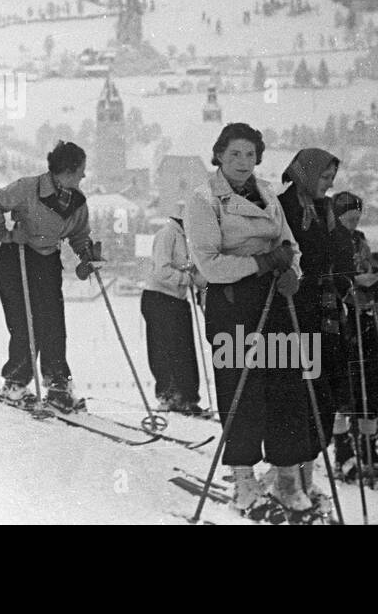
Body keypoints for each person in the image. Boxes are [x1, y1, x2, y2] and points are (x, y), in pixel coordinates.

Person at [184, 122, 310, 516]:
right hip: (234, 304)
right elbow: (210, 264)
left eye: (250, 155)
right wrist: (261, 262)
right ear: (219, 154)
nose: (243, 161)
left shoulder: (267, 192)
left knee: (287, 390)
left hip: (275, 302)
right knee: (243, 394)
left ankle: (287, 481)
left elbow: (290, 244)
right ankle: (243, 481)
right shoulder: (204, 199)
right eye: (235, 154)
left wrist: (293, 272)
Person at [0, 141, 96, 413]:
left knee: (53, 324)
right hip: (17, 257)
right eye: (80, 170)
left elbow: (79, 234)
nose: (83, 176)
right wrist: (7, 234)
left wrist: (87, 255)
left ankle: (58, 386)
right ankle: (15, 384)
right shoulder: (28, 188)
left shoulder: (77, 200)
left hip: (47, 262)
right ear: (67, 170)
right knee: (25, 324)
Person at [277, 148, 349, 508]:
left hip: (326, 316)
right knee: (295, 399)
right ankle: (287, 480)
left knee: (322, 399)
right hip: (292, 315)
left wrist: (346, 284)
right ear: (306, 174)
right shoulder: (282, 207)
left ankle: (307, 477)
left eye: (332, 177)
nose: (330, 183)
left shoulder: (326, 210)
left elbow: (342, 256)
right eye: (324, 177)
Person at [330, 191, 378, 479]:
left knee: (372, 384)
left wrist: (373, 283)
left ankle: (368, 447)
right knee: (344, 387)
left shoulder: (360, 240)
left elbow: (368, 271)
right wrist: (351, 285)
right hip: (339, 320)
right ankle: (342, 449)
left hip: (364, 317)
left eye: (357, 218)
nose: (354, 223)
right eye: (348, 218)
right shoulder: (328, 240)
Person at [141, 202, 205, 415]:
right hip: (158, 298)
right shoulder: (167, 235)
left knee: (185, 350)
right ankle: (169, 396)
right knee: (164, 351)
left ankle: (188, 398)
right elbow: (161, 270)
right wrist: (186, 279)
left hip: (177, 300)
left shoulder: (189, 239)